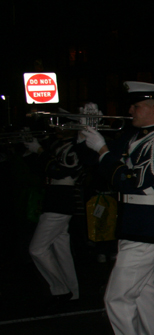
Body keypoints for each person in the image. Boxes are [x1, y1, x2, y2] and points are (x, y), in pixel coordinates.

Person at [81, 82, 154, 335]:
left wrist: (104, 151)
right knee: (143, 299)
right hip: (134, 228)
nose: (130, 111)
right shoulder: (136, 137)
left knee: (116, 298)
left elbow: (135, 180)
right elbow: (100, 166)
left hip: (145, 229)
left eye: (136, 106)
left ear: (152, 107)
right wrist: (89, 129)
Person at [27, 117, 92, 302]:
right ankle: (73, 292)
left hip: (61, 200)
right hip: (56, 198)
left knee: (37, 249)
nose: (57, 128)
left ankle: (60, 289)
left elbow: (60, 170)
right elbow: (41, 169)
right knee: (61, 251)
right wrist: (30, 151)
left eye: (62, 125)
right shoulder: (58, 144)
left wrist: (39, 151)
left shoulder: (74, 146)